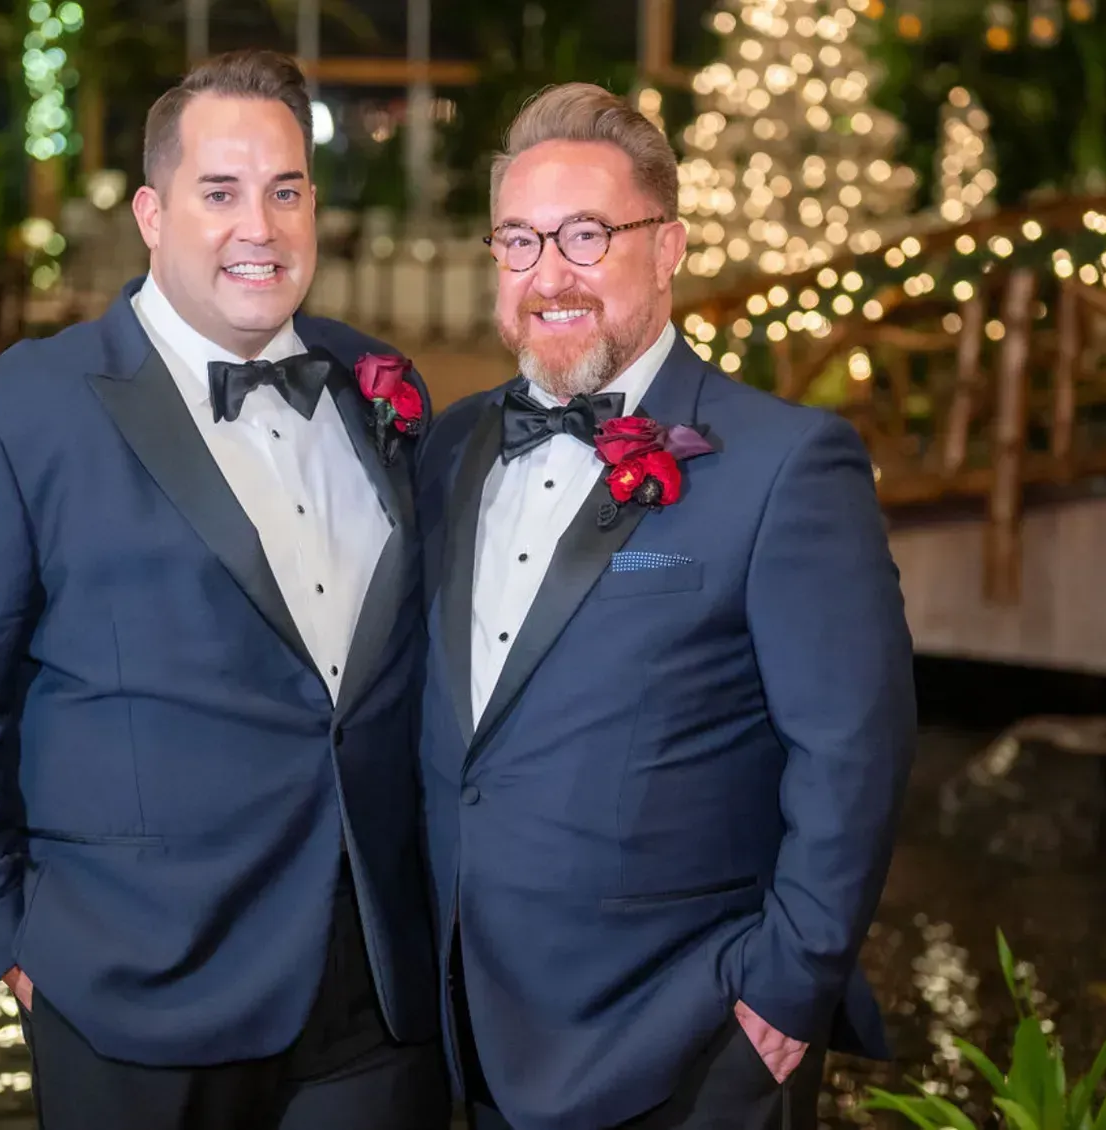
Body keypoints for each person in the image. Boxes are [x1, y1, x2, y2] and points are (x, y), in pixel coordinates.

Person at [0, 49, 447, 1130]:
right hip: (137, 996)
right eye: (218, 193)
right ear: (150, 210)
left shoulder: (378, 383)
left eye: (285, 191)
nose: (258, 228)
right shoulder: (12, 416)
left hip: (374, 993)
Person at [415, 83, 916, 1130]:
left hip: (688, 1042)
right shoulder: (452, 447)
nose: (549, 273)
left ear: (671, 245)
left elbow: (854, 748)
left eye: (586, 235)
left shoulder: (788, 464)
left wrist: (791, 974)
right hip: (474, 1028)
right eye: (518, 241)